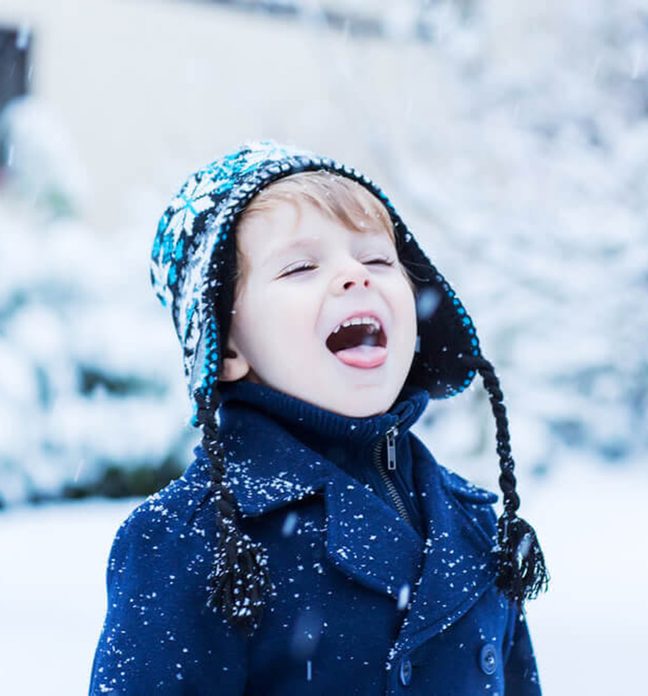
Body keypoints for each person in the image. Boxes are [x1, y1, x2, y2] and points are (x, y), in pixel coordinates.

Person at [89, 139, 548, 695]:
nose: (356, 276)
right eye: (302, 266)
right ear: (224, 346)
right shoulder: (195, 542)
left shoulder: (473, 523)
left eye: (377, 259)